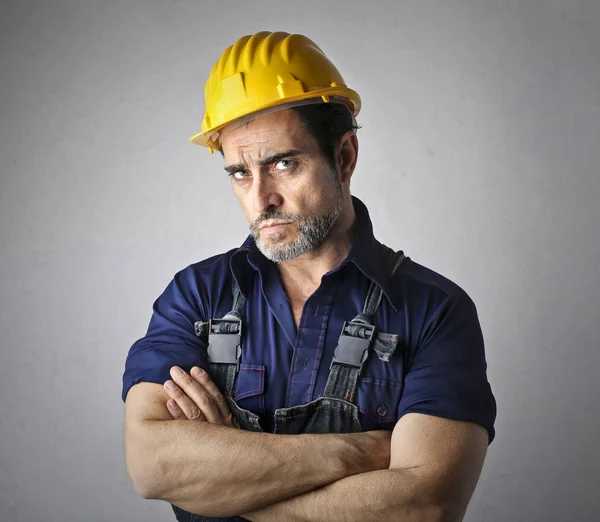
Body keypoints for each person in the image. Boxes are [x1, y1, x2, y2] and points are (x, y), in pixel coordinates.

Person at [122, 31, 497, 522]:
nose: (261, 200)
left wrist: (227, 485)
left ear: (343, 157)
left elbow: (424, 505)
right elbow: (154, 466)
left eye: (283, 163)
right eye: (239, 173)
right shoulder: (196, 298)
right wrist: (360, 453)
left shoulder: (433, 311)